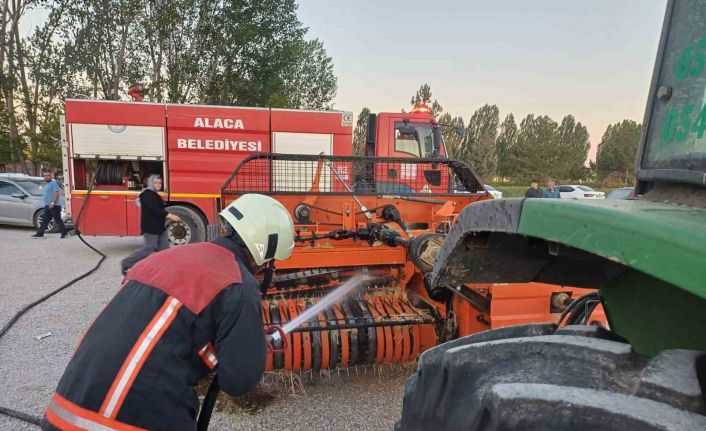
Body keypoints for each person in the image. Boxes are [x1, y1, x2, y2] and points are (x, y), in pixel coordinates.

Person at [41, 194, 295, 431]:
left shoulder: (159, 260)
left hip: (60, 415)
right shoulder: (237, 283)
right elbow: (239, 381)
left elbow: (166, 333)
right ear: (265, 250)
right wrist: (253, 347)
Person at [120, 175, 180, 274]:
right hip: (150, 227)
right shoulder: (147, 194)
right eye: (156, 182)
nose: (158, 185)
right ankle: (126, 262)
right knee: (149, 247)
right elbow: (154, 209)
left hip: (159, 227)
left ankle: (165, 269)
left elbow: (158, 209)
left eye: (160, 183)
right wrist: (170, 215)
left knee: (164, 249)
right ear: (151, 183)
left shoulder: (154, 194)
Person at [32, 168, 69, 239]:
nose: (46, 177)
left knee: (58, 220)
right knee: (45, 220)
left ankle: (65, 234)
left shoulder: (54, 183)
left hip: (55, 206)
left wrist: (52, 203)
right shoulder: (46, 184)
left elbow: (56, 194)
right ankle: (40, 234)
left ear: (51, 176)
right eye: (45, 175)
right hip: (47, 205)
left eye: (48, 175)